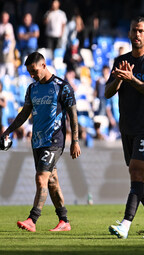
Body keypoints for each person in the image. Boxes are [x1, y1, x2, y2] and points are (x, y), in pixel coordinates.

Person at [0, 52, 81, 232]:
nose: (32, 75)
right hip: (37, 141)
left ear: (44, 65)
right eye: (29, 72)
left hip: (54, 140)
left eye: (34, 71)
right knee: (52, 181)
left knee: (41, 177)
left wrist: (75, 140)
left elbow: (73, 115)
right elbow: (24, 114)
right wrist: (8, 131)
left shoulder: (62, 87)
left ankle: (32, 219)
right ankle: (64, 221)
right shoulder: (32, 88)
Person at [105, 16, 144, 239]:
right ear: (130, 33)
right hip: (127, 126)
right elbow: (107, 92)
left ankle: (125, 224)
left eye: (141, 31)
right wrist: (120, 80)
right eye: (134, 30)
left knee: (136, 170)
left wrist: (132, 79)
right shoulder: (120, 60)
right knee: (140, 177)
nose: (137, 34)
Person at [0, 11, 16, 77]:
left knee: (10, 72)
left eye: (6, 17)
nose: (5, 19)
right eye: (4, 17)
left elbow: (10, 38)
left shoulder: (9, 26)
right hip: (1, 55)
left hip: (9, 54)